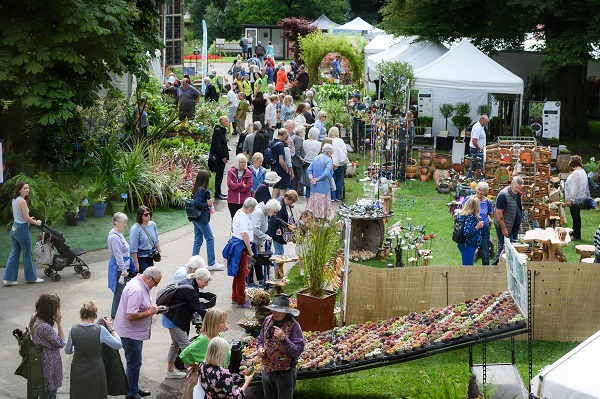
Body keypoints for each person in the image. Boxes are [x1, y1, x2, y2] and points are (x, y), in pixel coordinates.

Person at [113, 267, 162, 399]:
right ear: (148, 278)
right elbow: (131, 315)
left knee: (134, 363)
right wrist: (149, 312)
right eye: (156, 282)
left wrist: (155, 309)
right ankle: (131, 394)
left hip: (132, 332)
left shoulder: (140, 283)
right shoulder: (137, 290)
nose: (156, 285)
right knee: (134, 363)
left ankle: (133, 388)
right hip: (130, 334)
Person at [65, 301, 122, 399]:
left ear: (81, 315)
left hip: (77, 369)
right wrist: (111, 329)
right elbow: (118, 344)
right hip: (96, 369)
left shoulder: (73, 330)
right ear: (94, 315)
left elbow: (68, 350)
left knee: (79, 394)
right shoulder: (100, 330)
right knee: (96, 394)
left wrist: (77, 347)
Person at [162, 268, 212, 379]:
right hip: (175, 320)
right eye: (206, 281)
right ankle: (193, 374)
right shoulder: (190, 289)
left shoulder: (189, 282)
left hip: (171, 317)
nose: (207, 284)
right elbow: (198, 307)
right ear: (198, 279)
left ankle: (170, 371)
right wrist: (213, 318)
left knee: (175, 345)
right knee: (187, 347)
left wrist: (202, 295)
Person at [257, 294, 305, 399]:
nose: (274, 313)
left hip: (284, 373)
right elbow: (261, 339)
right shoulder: (268, 320)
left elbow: (297, 351)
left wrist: (284, 339)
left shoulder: (293, 326)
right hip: (267, 370)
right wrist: (260, 348)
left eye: (278, 310)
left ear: (285, 311)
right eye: (273, 310)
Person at [3, 181, 43, 286]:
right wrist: (36, 222)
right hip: (22, 230)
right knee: (27, 253)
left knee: (14, 252)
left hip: (15, 229)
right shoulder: (23, 202)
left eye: (28, 188)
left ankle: (8, 279)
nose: (27, 190)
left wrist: (30, 219)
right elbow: (26, 218)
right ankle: (31, 277)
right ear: (19, 189)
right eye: (25, 188)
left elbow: (20, 216)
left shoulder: (14, 199)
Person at [30, 293, 65, 399]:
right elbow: (61, 342)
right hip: (48, 365)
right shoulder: (45, 327)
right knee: (49, 393)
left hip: (41, 360)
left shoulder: (35, 317)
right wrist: (59, 323)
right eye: (57, 308)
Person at [224, 197, 257, 309]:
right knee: (242, 274)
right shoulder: (243, 216)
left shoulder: (239, 212)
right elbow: (244, 234)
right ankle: (241, 300)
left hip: (236, 245)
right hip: (240, 247)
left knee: (237, 274)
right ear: (250, 208)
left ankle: (235, 296)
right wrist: (250, 250)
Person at [189, 170, 224, 270]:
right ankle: (211, 263)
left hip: (195, 218)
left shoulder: (196, 189)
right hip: (201, 219)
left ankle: (192, 263)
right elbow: (197, 203)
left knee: (198, 240)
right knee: (210, 238)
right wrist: (207, 204)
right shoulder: (201, 191)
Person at [249, 198, 281, 285]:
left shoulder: (265, 212)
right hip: (251, 241)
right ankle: (250, 282)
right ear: (270, 209)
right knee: (252, 261)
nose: (274, 214)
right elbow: (255, 228)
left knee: (257, 259)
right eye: (274, 212)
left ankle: (261, 280)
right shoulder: (259, 212)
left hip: (256, 241)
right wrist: (265, 237)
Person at [492, 176, 523, 265]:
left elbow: (517, 208)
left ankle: (498, 267)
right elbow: (499, 213)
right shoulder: (504, 195)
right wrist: (504, 229)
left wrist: (519, 221)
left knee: (506, 249)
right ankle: (495, 266)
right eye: (516, 187)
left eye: (519, 188)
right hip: (505, 227)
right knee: (507, 249)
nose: (517, 190)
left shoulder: (517, 194)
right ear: (511, 184)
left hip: (513, 227)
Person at [461, 182, 494, 265]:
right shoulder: (469, 199)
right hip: (471, 227)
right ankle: (469, 266)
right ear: (476, 189)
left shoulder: (488, 202)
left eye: (483, 191)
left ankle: (485, 271)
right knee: (470, 247)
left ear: (486, 192)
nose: (480, 192)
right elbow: (463, 211)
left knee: (485, 249)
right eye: (479, 189)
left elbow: (490, 214)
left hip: (484, 227)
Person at [107, 212, 132, 319]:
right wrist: (124, 269)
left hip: (122, 266)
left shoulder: (118, 233)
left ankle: (117, 312)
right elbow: (118, 256)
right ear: (117, 223)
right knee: (119, 291)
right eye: (123, 222)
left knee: (122, 290)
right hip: (119, 268)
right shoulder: (115, 237)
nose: (125, 225)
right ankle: (115, 313)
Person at [129, 206, 161, 275]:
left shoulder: (152, 224)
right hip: (141, 258)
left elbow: (156, 239)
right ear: (140, 216)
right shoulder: (135, 229)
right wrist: (136, 263)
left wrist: (159, 251)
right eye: (146, 214)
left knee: (151, 277)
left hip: (151, 256)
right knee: (146, 277)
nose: (148, 216)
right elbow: (133, 248)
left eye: (150, 214)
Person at [565, 155, 590, 241]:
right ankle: (574, 230)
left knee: (575, 216)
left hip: (575, 199)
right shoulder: (582, 171)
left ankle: (576, 235)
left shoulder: (576, 173)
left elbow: (574, 188)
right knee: (576, 216)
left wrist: (570, 199)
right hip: (581, 197)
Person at [307, 144, 334, 219]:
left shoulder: (316, 158)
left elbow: (309, 170)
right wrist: (318, 179)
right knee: (322, 208)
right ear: (328, 152)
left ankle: (315, 223)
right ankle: (322, 223)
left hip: (314, 188)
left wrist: (312, 179)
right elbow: (326, 173)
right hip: (324, 187)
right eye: (332, 152)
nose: (332, 153)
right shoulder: (329, 160)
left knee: (315, 207)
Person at [268, 190, 298, 257]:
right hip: (276, 231)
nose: (291, 203)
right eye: (291, 201)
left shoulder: (287, 204)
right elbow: (276, 219)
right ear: (287, 198)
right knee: (279, 252)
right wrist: (288, 226)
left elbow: (290, 215)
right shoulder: (280, 204)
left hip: (281, 231)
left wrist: (292, 223)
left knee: (280, 251)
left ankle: (278, 267)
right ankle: (278, 267)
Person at [456, 197, 484, 266]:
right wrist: (478, 226)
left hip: (465, 244)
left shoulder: (463, 215)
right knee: (468, 268)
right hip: (468, 245)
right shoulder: (470, 217)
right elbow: (467, 232)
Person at [227, 153, 253, 218]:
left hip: (244, 201)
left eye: (244, 162)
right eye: (242, 162)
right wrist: (241, 185)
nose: (243, 164)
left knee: (244, 219)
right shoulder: (231, 171)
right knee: (234, 219)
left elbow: (248, 187)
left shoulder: (249, 172)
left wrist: (235, 188)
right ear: (237, 162)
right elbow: (229, 184)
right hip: (232, 201)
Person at [210, 116, 230, 200]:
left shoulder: (222, 130)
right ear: (221, 121)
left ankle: (219, 192)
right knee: (219, 175)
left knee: (220, 175)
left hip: (221, 157)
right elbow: (218, 145)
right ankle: (217, 193)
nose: (227, 122)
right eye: (225, 121)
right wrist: (223, 156)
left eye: (227, 121)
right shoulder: (218, 131)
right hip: (218, 158)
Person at [329, 126, 348, 202]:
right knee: (339, 179)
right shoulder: (340, 141)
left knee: (332, 179)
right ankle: (338, 196)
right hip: (340, 162)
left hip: (331, 162)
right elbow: (345, 151)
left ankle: (332, 196)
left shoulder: (328, 140)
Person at [271, 129, 291, 199]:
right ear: (284, 135)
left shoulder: (271, 142)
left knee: (275, 188)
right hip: (281, 170)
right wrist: (286, 170)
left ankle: (272, 205)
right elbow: (281, 161)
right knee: (283, 189)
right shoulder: (280, 145)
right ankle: (281, 206)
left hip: (273, 168)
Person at [302, 127, 321, 199]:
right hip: (316, 163)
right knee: (315, 182)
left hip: (307, 162)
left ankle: (308, 201)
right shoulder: (319, 144)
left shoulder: (304, 142)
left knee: (308, 183)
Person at [290, 125, 306, 195]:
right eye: (304, 132)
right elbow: (297, 150)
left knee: (295, 177)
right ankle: (300, 191)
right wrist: (300, 158)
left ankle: (294, 189)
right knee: (300, 176)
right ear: (300, 132)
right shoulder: (299, 139)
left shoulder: (293, 137)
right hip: (297, 161)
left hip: (293, 160)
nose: (304, 133)